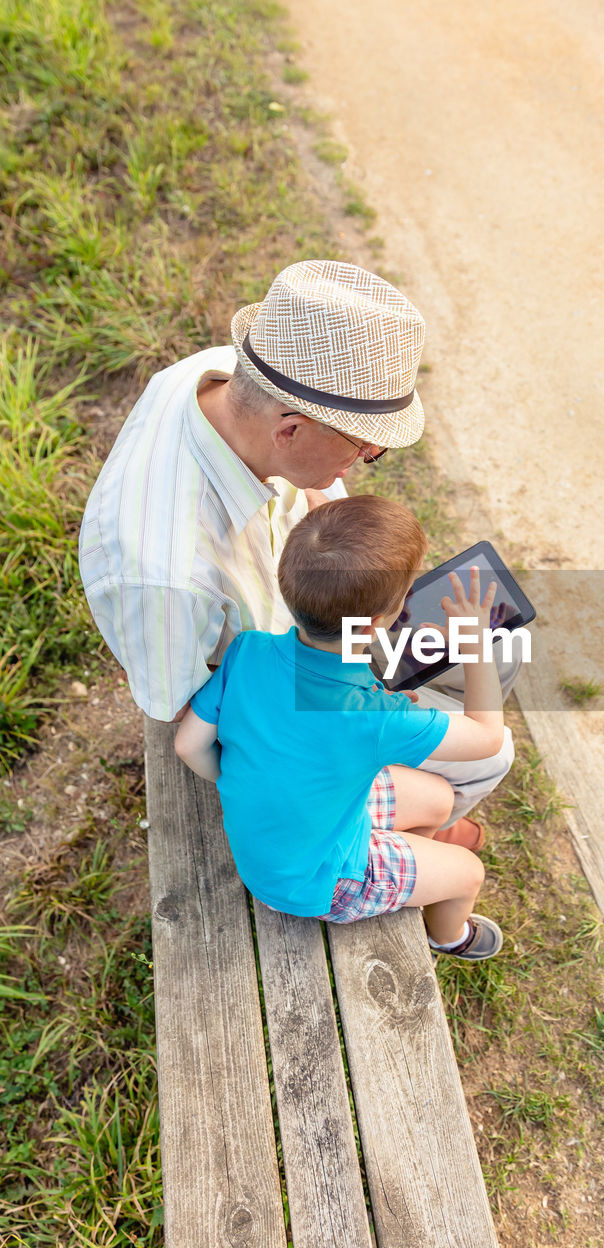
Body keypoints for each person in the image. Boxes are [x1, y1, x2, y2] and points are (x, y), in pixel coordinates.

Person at [79, 258, 516, 835]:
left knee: (502, 648)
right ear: (289, 431)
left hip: (320, 618)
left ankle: (424, 807)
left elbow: (320, 493)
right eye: (364, 449)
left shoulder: (234, 377)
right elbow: (187, 714)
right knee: (493, 751)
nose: (361, 465)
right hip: (292, 697)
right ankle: (423, 826)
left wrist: (348, 564)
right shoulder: (161, 574)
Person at [174, 495, 505, 960]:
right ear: (376, 624)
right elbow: (487, 737)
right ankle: (448, 936)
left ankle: (405, 862)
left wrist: (239, 778)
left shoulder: (248, 649)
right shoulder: (374, 717)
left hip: (276, 844)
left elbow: (189, 745)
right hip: (315, 881)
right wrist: (476, 644)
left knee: (440, 797)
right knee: (468, 872)